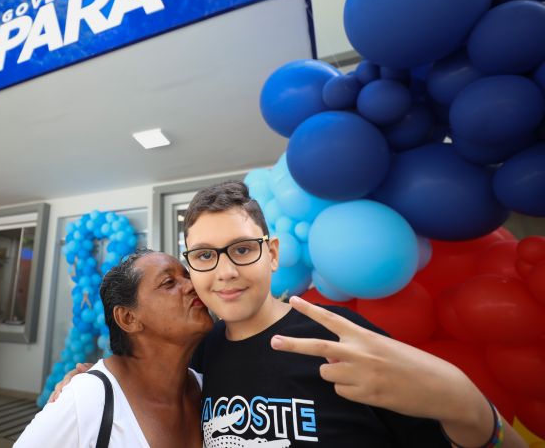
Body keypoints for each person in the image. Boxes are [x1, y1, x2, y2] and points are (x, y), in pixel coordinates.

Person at [184, 181, 523, 447]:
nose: (224, 271)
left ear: (272, 254)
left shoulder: (341, 336)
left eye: (242, 250)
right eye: (203, 256)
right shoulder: (198, 356)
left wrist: (468, 406)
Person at [15, 250, 213, 447]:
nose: (192, 285)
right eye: (168, 282)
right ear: (128, 318)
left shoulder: (209, 389)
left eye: (188, 275)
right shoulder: (88, 399)